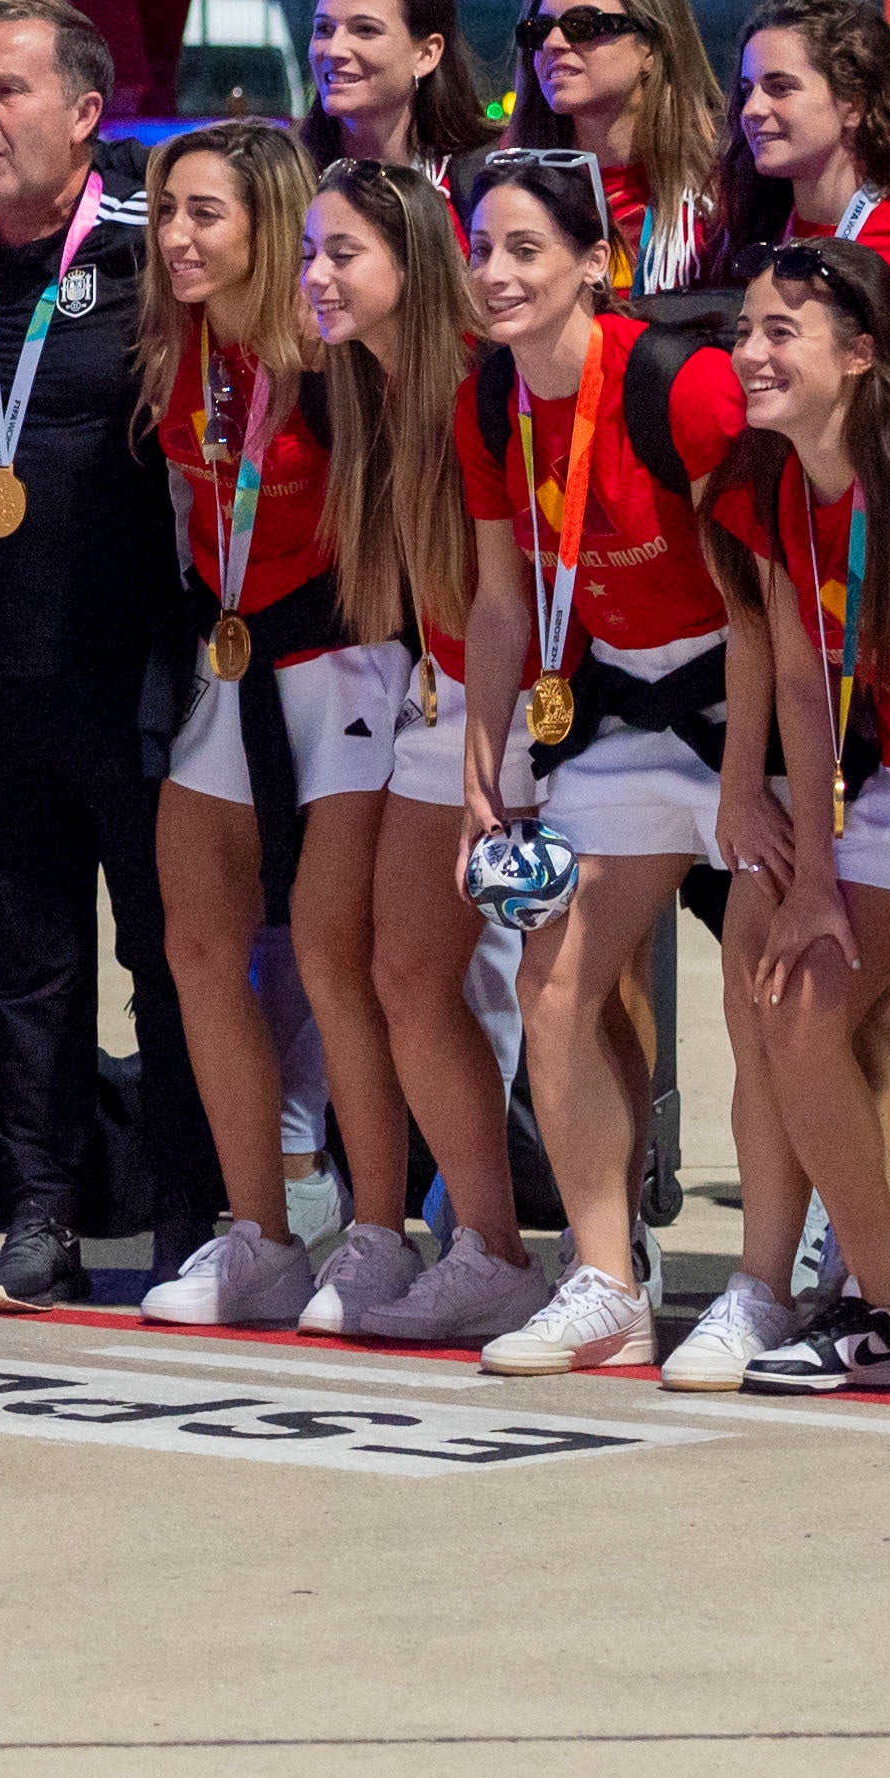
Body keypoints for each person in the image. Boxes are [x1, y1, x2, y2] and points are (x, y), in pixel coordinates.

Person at [0, 0, 186, 1311]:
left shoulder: (147, 255)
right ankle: (44, 1208)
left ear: (84, 114)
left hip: (136, 682)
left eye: (7, 92)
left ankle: (197, 1211)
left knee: (170, 956)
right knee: (25, 966)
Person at [454, 148, 749, 1373]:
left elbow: (772, 592)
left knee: (778, 1003)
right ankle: (606, 1283)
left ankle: (779, 1281)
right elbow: (498, 604)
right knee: (555, 988)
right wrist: (489, 767)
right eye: (484, 250)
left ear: (596, 264)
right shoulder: (488, 401)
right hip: (614, 720)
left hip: (746, 710)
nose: (499, 273)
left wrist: (751, 782)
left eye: (528, 249)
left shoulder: (683, 385)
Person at [676, 236, 890, 1395]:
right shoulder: (769, 480)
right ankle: (883, 1307)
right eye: (741, 331)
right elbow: (804, 680)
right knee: (790, 999)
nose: (748, 354)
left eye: (777, 334)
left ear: (859, 354)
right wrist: (808, 871)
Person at [124, 122, 376, 1333]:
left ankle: (374, 1231)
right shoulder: (183, 351)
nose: (175, 235)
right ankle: (260, 1232)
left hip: (352, 668)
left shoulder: (335, 355)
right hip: (230, 660)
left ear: (269, 224)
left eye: (204, 213)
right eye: (167, 210)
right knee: (196, 948)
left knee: (339, 957)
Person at [307, 153, 544, 1345]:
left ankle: (544, 1247)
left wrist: (494, 746)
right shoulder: (370, 389)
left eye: (342, 253)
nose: (317, 276)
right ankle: (480, 1244)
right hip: (443, 697)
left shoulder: (474, 389)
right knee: (396, 970)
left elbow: (516, 594)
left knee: (571, 991)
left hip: (532, 710)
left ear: (414, 261)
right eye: (311, 252)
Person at [719, 0, 890, 346]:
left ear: (853, 104)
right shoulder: (746, 226)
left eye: (780, 88)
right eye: (748, 89)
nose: (752, 109)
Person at [509, 0, 730, 299]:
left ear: (651, 48)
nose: (552, 42)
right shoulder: (512, 190)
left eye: (581, 25)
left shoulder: (721, 193)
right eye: (538, 29)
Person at [304, 0, 495, 170]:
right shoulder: (276, 172)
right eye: (324, 29)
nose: (334, 49)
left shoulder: (487, 179)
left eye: (365, 30)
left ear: (426, 54)